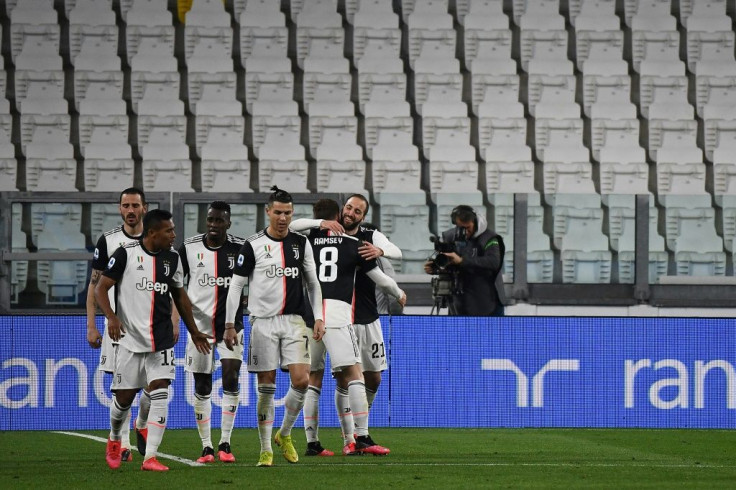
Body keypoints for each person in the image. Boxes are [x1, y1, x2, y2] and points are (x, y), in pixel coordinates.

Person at [95, 209, 212, 472]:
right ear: (151, 233)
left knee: (160, 391)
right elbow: (101, 288)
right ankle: (114, 438)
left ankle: (150, 458)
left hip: (160, 340)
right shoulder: (125, 254)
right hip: (129, 341)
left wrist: (193, 330)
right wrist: (112, 318)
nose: (174, 235)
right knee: (123, 401)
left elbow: (180, 296)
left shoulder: (172, 258)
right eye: (168, 230)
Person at [290, 195, 403, 456]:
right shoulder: (353, 244)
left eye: (357, 211)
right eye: (348, 208)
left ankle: (312, 442)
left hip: (317, 316)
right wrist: (398, 293)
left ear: (363, 216)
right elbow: (379, 277)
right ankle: (358, 438)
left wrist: (380, 250)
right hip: (339, 315)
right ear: (340, 213)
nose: (351, 213)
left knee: (317, 378)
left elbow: (291, 226)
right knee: (353, 375)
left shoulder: (310, 240)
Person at [223, 186, 326, 468]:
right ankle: (266, 449)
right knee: (266, 387)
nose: (283, 218)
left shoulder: (300, 243)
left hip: (294, 320)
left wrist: (318, 317)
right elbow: (236, 286)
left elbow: (313, 282)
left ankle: (285, 433)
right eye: (278, 212)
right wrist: (230, 323)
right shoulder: (252, 244)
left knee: (302, 381)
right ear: (268, 212)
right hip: (263, 323)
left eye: (288, 213)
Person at [85, 187, 152, 462]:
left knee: (151, 386)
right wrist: (91, 324)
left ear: (144, 208)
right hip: (117, 325)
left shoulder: (155, 240)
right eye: (126, 206)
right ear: (120, 209)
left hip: (148, 325)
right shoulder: (109, 241)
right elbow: (94, 285)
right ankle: (122, 443)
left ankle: (143, 424)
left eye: (135, 205)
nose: (131, 210)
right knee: (121, 386)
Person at [179, 201, 245, 464]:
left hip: (231, 326)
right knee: (203, 384)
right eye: (210, 220)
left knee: (231, 376)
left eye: (219, 221)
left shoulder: (240, 248)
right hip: (200, 329)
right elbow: (176, 286)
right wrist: (178, 322)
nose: (214, 225)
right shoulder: (189, 247)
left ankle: (225, 443)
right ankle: (206, 446)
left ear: (228, 223)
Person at [423, 205, 506, 316]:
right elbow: (447, 262)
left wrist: (462, 261)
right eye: (461, 227)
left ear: (475, 222)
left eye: (468, 227)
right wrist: (435, 267)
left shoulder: (489, 238)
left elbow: (493, 262)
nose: (465, 232)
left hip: (487, 301)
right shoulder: (449, 237)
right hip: (458, 301)